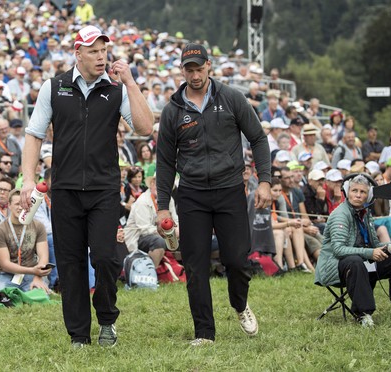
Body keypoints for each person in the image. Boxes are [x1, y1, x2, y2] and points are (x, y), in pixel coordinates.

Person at [22, 25, 153, 348]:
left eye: (104, 51)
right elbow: (34, 134)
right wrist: (27, 179)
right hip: (64, 189)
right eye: (93, 51)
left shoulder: (115, 90)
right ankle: (79, 334)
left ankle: (107, 318)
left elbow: (145, 127)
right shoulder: (54, 88)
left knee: (106, 258)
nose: (100, 57)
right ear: (77, 53)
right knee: (70, 264)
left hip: (105, 189)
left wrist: (131, 84)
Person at [156, 43, 271, 346]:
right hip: (192, 194)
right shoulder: (173, 110)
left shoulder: (231, 98)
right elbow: (165, 162)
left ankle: (239, 303)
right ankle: (204, 333)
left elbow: (258, 138)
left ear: (209, 66)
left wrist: (264, 181)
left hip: (230, 189)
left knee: (237, 260)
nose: (194, 74)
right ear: (183, 71)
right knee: (195, 265)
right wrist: (163, 207)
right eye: (189, 69)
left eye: (199, 67)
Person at [314, 174, 391, 327]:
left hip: (361, 262)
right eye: (354, 191)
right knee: (355, 261)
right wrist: (369, 253)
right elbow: (338, 249)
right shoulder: (340, 215)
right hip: (335, 266)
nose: (358, 195)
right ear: (347, 192)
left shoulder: (365, 213)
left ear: (369, 196)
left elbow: (375, 245)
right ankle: (363, 314)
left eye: (363, 192)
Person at [0, 189, 52, 299]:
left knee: (40, 298)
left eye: (24, 204)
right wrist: (33, 270)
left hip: (32, 273)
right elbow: (5, 264)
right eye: (17, 204)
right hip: (5, 274)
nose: (21, 207)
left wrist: (38, 276)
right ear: (9, 205)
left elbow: (43, 257)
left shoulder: (38, 226)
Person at [124, 173, 178, 267]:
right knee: (158, 241)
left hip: (163, 234)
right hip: (138, 237)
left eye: (165, 186)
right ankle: (152, 272)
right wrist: (168, 232)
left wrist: (177, 230)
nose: (162, 188)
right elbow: (144, 229)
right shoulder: (142, 201)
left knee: (187, 237)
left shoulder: (170, 200)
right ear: (152, 183)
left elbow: (176, 220)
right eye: (159, 184)